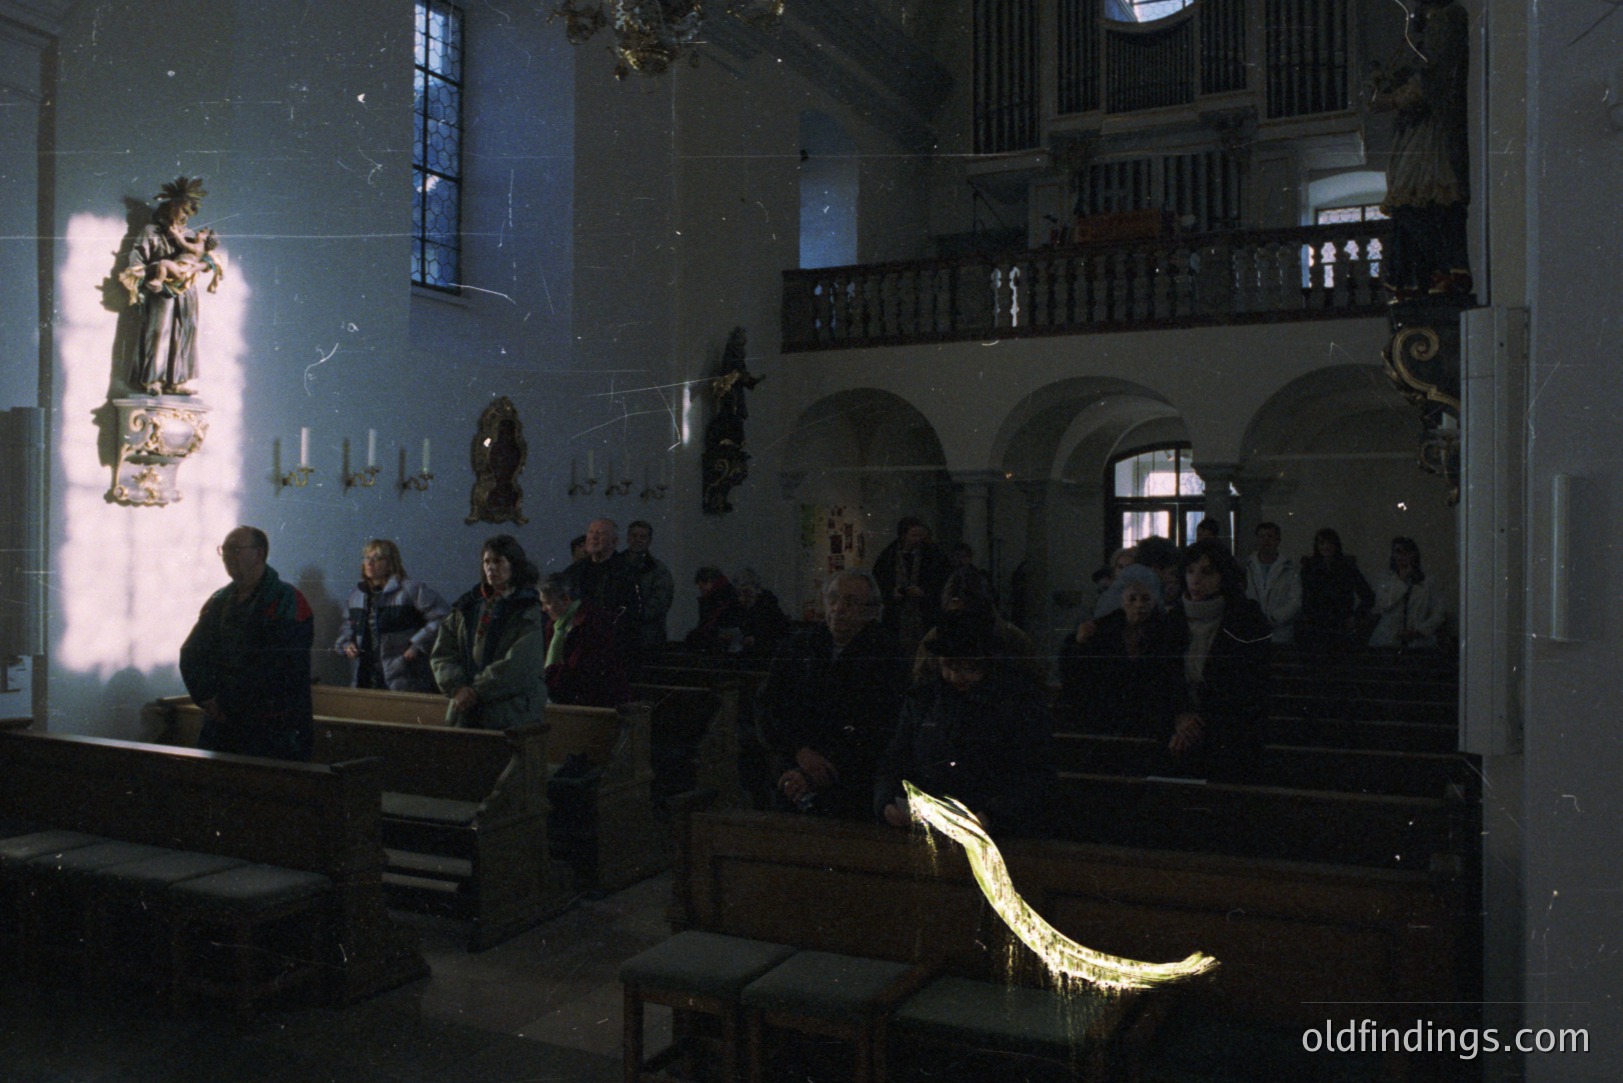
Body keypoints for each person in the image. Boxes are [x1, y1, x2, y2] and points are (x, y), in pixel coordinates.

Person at [875, 611, 1054, 837]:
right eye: (949, 666)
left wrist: (991, 814)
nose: (956, 676)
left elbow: (1034, 774)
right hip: (929, 823)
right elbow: (895, 759)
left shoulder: (1016, 703)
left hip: (997, 830)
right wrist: (886, 802)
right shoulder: (924, 698)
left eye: (968, 667)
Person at [758, 570, 906, 821]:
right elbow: (769, 706)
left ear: (871, 610)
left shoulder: (887, 654)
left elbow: (882, 724)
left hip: (852, 779)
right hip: (792, 767)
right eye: (833, 598)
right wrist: (798, 753)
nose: (838, 609)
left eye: (850, 602)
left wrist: (824, 768)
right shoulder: (798, 646)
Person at [179, 526, 313, 761]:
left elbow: (281, 667)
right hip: (221, 721)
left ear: (259, 554)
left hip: (271, 725)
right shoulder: (219, 601)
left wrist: (231, 704)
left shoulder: (288, 601)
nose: (228, 556)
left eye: (235, 549)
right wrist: (208, 698)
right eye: (225, 550)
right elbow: (191, 653)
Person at [1368, 0, 1471, 297]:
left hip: (1429, 131)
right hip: (1415, 130)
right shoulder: (1429, 30)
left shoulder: (1445, 19)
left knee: (1419, 199)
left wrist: (1388, 100)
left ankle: (1443, 270)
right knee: (1409, 203)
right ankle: (1417, 277)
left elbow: (1431, 83)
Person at [1168, 539, 1272, 779]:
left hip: (1230, 734)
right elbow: (1162, 677)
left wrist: (1197, 727)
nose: (1196, 579)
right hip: (1177, 730)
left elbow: (1249, 685)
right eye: (1190, 571)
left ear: (1223, 576)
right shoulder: (1173, 620)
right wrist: (1180, 718)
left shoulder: (1247, 619)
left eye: (1207, 572)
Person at [431, 535, 549, 729]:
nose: (491, 567)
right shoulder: (467, 607)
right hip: (465, 708)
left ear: (513, 565)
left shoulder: (528, 609)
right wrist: (457, 687)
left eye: (498, 561)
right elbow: (443, 653)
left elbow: (520, 663)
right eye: (486, 561)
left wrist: (476, 691)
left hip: (509, 712)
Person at [121, 176, 220, 396]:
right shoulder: (151, 231)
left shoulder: (191, 237)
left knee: (185, 331)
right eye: (182, 209)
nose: (185, 216)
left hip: (186, 291)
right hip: (162, 290)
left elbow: (209, 260)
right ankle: (152, 379)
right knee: (159, 331)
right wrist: (151, 274)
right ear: (172, 206)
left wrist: (196, 268)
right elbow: (137, 260)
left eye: (189, 212)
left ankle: (177, 380)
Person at [1058, 564, 1183, 735]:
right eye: (1132, 598)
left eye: (1145, 598)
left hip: (1150, 723)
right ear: (1121, 599)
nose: (1139, 605)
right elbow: (1076, 675)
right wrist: (1078, 643)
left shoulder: (1165, 632)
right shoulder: (1102, 630)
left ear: (1155, 600)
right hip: (1105, 721)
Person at [334, 539, 450, 692]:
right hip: (366, 676)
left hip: (404, 675)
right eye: (367, 558)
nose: (369, 562)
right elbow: (347, 627)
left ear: (390, 563)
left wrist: (417, 644)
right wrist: (346, 644)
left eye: (376, 558)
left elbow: (443, 617)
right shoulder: (357, 595)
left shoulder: (411, 590)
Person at [913, 566, 1038, 684]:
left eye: (967, 615)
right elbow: (921, 685)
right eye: (954, 616)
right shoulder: (934, 638)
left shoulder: (1013, 639)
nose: (960, 623)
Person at [537, 574, 630, 707]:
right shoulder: (554, 625)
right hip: (565, 696)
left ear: (565, 599)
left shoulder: (592, 623)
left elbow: (580, 670)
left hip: (595, 702)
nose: (544, 609)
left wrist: (544, 680)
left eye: (547, 603)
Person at [871, 516, 951, 660]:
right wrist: (890, 592)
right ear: (903, 536)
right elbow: (878, 580)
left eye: (920, 535)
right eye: (914, 535)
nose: (918, 539)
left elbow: (943, 581)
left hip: (924, 613)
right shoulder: (888, 555)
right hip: (896, 614)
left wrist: (925, 592)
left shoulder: (933, 555)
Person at [563, 517, 641, 659]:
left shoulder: (626, 572)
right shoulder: (575, 570)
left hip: (610, 644)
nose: (594, 537)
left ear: (614, 542)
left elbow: (630, 612)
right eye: (591, 532)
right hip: (578, 642)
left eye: (601, 534)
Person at [1297, 528, 1375, 651]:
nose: (1326, 547)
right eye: (1322, 543)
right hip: (1317, 625)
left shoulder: (1347, 568)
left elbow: (1368, 596)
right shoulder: (1310, 568)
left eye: (1329, 543)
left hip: (1339, 624)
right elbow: (1304, 597)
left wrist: (1355, 617)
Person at [1369, 537, 1446, 649]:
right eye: (1399, 552)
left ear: (1414, 554)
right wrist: (1401, 581)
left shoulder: (1428, 582)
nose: (1403, 556)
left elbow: (1439, 613)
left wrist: (1419, 631)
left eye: (1407, 552)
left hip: (1419, 644)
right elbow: (1384, 605)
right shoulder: (1386, 580)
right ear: (1393, 555)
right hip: (1387, 643)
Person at [1243, 522, 1302, 645]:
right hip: (1252, 633)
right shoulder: (1246, 567)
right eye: (1262, 536)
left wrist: (1274, 618)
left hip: (1281, 635)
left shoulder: (1290, 568)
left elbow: (1295, 601)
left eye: (1270, 536)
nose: (1266, 540)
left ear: (1277, 540)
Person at [623, 520, 674, 653]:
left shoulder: (658, 570)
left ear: (649, 541)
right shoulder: (615, 565)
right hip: (619, 635)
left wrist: (632, 616)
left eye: (642, 537)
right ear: (628, 538)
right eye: (634, 536)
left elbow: (660, 603)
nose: (637, 540)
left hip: (648, 637)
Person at [733, 568, 790, 657]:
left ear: (757, 590)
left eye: (746, 592)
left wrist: (757, 639)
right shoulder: (739, 608)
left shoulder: (769, 607)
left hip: (764, 656)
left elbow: (779, 632)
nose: (741, 598)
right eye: (738, 593)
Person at [685, 566, 743, 651]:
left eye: (701, 587)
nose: (701, 591)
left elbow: (711, 622)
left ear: (709, 582)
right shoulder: (726, 595)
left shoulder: (717, 599)